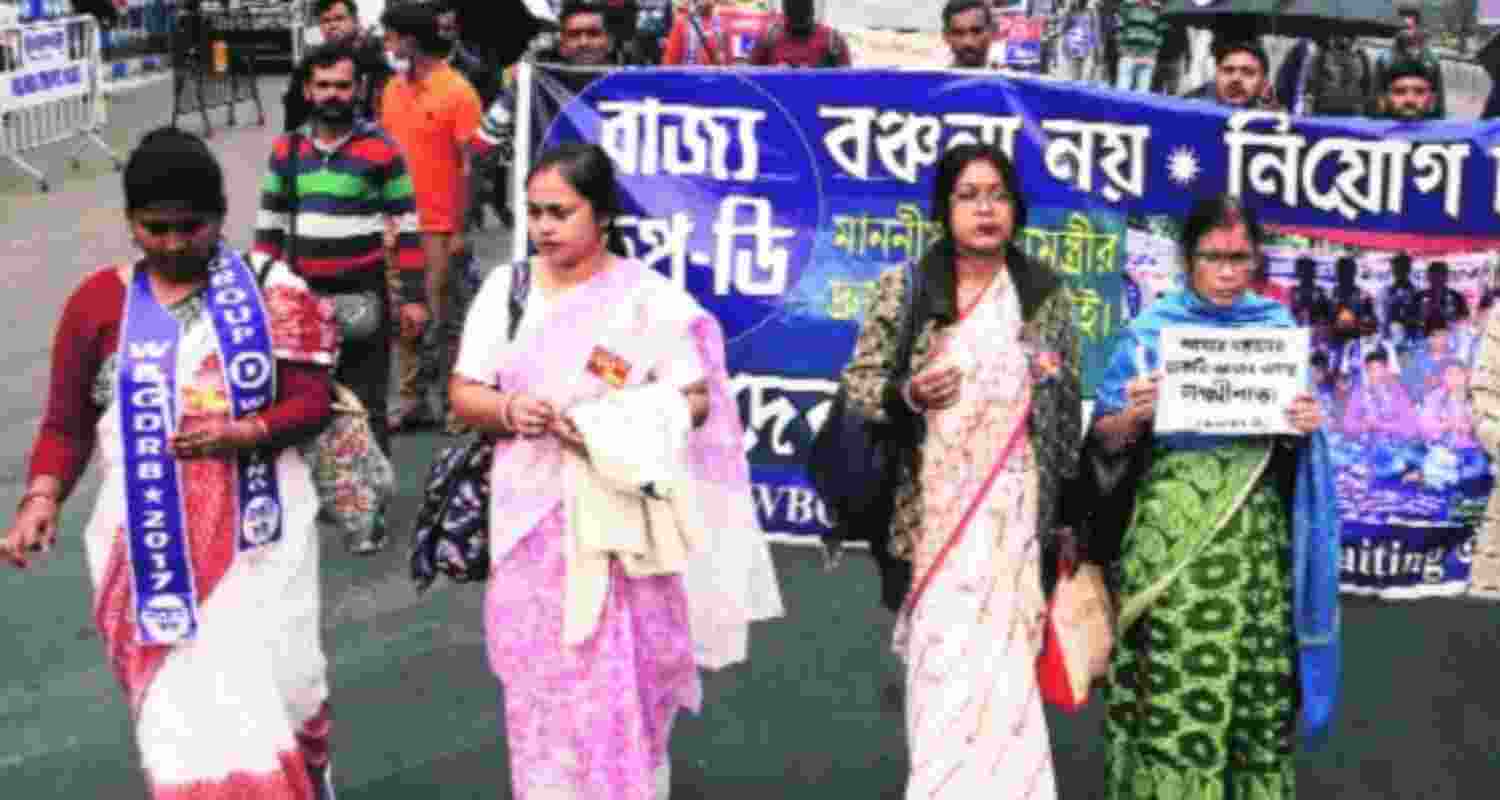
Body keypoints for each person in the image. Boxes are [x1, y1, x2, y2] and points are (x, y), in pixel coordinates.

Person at [2, 128, 339, 799]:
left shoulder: (271, 290)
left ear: (220, 217)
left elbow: (313, 402)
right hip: (151, 550)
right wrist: (41, 500)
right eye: (156, 229)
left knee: (286, 686)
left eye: (194, 227)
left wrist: (246, 431)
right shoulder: (97, 305)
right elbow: (66, 426)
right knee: (185, 723)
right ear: (130, 223)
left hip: (259, 541)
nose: (176, 243)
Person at [448, 142, 781, 800]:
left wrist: (610, 422)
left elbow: (694, 399)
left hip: (623, 525)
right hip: (530, 519)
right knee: (541, 683)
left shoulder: (646, 301)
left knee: (623, 678)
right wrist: (513, 409)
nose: (543, 227)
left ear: (601, 216)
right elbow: (465, 392)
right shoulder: (506, 290)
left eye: (560, 212)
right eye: (534, 212)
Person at [839, 142, 1083, 798]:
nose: (984, 209)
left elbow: (1063, 416)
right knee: (944, 674)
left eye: (997, 195)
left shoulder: (1043, 297)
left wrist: (1067, 523)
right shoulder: (909, 288)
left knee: (1006, 679)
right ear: (944, 210)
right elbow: (860, 388)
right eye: (968, 195)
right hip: (932, 521)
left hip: (1016, 520)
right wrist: (910, 394)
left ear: (1016, 208)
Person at [1087, 194, 1338, 800]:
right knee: (1173, 692)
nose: (1227, 273)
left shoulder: (1274, 334)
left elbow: (1296, 450)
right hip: (1172, 549)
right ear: (1187, 259)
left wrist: (1307, 427)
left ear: (1256, 262)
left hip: (1256, 550)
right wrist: (1134, 416)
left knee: (1254, 695)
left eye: (1240, 259)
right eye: (1213, 258)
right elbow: (1101, 437)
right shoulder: (1150, 335)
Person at [254, 43, 421, 550]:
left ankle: (368, 507)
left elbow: (407, 228)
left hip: (362, 296)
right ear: (308, 90)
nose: (332, 95)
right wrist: (262, 287)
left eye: (342, 86)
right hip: (303, 301)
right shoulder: (287, 150)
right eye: (323, 86)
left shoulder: (382, 149)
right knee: (306, 401)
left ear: (358, 89)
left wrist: (413, 298)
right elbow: (269, 228)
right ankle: (324, 495)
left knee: (364, 401)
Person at [380, 2, 483, 433]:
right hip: (396, 225)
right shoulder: (390, 89)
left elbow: (471, 165)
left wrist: (460, 228)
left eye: (390, 36)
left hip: (441, 226)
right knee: (404, 316)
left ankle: (456, 405)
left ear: (410, 39)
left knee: (445, 317)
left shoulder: (458, 91)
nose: (385, 44)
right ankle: (412, 401)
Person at [283, 0, 391, 133]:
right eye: (325, 21)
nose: (332, 25)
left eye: (340, 19)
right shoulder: (309, 65)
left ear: (356, 21)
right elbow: (294, 117)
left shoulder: (375, 62)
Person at [1374, 9, 1446, 120]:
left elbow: (1438, 97)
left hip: (1423, 123)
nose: (1406, 32)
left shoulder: (1431, 60)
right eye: (1402, 28)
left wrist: (1438, 121)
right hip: (1391, 123)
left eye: (1409, 28)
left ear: (1417, 27)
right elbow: (1377, 94)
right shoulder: (1385, 60)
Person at [747, 0, 851, 68]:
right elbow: (750, 86)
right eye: (793, 5)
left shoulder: (833, 41)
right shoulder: (767, 39)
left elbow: (846, 89)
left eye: (803, 5)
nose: (798, 9)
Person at [1182, 38, 1280, 110]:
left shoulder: (1278, 125)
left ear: (1264, 83)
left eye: (1248, 72)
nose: (1235, 79)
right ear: (1216, 75)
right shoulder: (1188, 110)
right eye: (1228, 70)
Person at [1344, 349, 1419, 440]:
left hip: (1396, 444)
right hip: (1366, 444)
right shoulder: (1359, 393)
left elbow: (1410, 426)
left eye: (1378, 369)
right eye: (1370, 369)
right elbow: (1348, 424)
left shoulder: (1398, 392)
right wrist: (1364, 425)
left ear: (1386, 369)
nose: (1374, 374)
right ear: (1366, 371)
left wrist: (1381, 425)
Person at [1328, 255, 1378, 376]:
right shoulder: (1329, 295)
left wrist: (1361, 326)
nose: (1344, 274)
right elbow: (1323, 320)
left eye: (1347, 270)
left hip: (1356, 347)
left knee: (1355, 380)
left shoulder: (1364, 296)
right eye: (1340, 270)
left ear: (1354, 272)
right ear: (1336, 272)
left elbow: (1372, 326)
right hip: (1334, 346)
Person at [662, 0, 733, 65]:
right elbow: (670, 64)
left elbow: (729, 62)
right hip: (690, 77)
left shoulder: (723, 24)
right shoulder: (682, 24)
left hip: (716, 77)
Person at [1114, 0, 1164, 92]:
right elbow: (1119, 27)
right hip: (1128, 54)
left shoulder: (1157, 8)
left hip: (1147, 57)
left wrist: (1154, 52)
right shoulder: (1127, 5)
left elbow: (1160, 32)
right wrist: (1121, 48)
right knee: (1121, 94)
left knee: (1142, 96)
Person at [1374, 57, 1439, 121]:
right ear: (1383, 99)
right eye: (1399, 91)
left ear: (1432, 100)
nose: (1410, 100)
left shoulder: (1447, 131)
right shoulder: (1366, 131)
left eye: (1419, 92)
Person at [1414, 260, 1469, 335]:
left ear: (1446, 276)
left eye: (1441, 275)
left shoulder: (1456, 297)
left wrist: (1452, 320)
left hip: (1450, 340)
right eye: (1434, 275)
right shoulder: (1418, 297)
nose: (1437, 278)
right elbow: (1410, 320)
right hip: (1424, 339)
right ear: (1428, 277)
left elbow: (1464, 319)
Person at [942, 0, 999, 69]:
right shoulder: (933, 79)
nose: (968, 42)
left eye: (977, 31)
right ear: (946, 36)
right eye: (958, 33)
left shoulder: (1009, 77)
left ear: (992, 31)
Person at [1383, 252, 1421, 346]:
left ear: (1408, 269)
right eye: (1397, 269)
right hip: (1392, 337)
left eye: (1403, 268)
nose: (1399, 272)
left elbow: (1420, 315)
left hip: (1412, 336)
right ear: (1392, 270)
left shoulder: (1416, 291)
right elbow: (1383, 317)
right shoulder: (1386, 292)